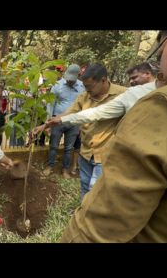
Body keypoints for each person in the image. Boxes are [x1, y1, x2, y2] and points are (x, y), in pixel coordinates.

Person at [61, 30, 167, 242]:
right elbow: (85, 113)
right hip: (87, 151)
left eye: (161, 51)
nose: (160, 60)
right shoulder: (92, 96)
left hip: (103, 154)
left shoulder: (161, 103)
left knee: (97, 192)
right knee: (87, 189)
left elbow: (102, 226)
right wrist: (60, 119)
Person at [38, 63, 126, 198]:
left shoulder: (123, 95)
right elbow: (68, 113)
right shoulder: (84, 96)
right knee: (85, 187)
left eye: (89, 87)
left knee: (98, 191)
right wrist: (45, 125)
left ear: (103, 80)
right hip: (86, 152)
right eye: (85, 87)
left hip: (106, 154)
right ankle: (83, 214)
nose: (86, 90)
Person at [42, 64, 85, 178]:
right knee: (53, 145)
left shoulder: (82, 87)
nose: (69, 81)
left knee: (69, 148)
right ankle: (50, 166)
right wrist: (49, 122)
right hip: (57, 120)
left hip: (74, 122)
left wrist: (82, 124)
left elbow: (84, 106)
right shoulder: (57, 85)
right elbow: (50, 104)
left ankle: (65, 169)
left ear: (78, 75)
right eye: (68, 79)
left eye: (72, 79)